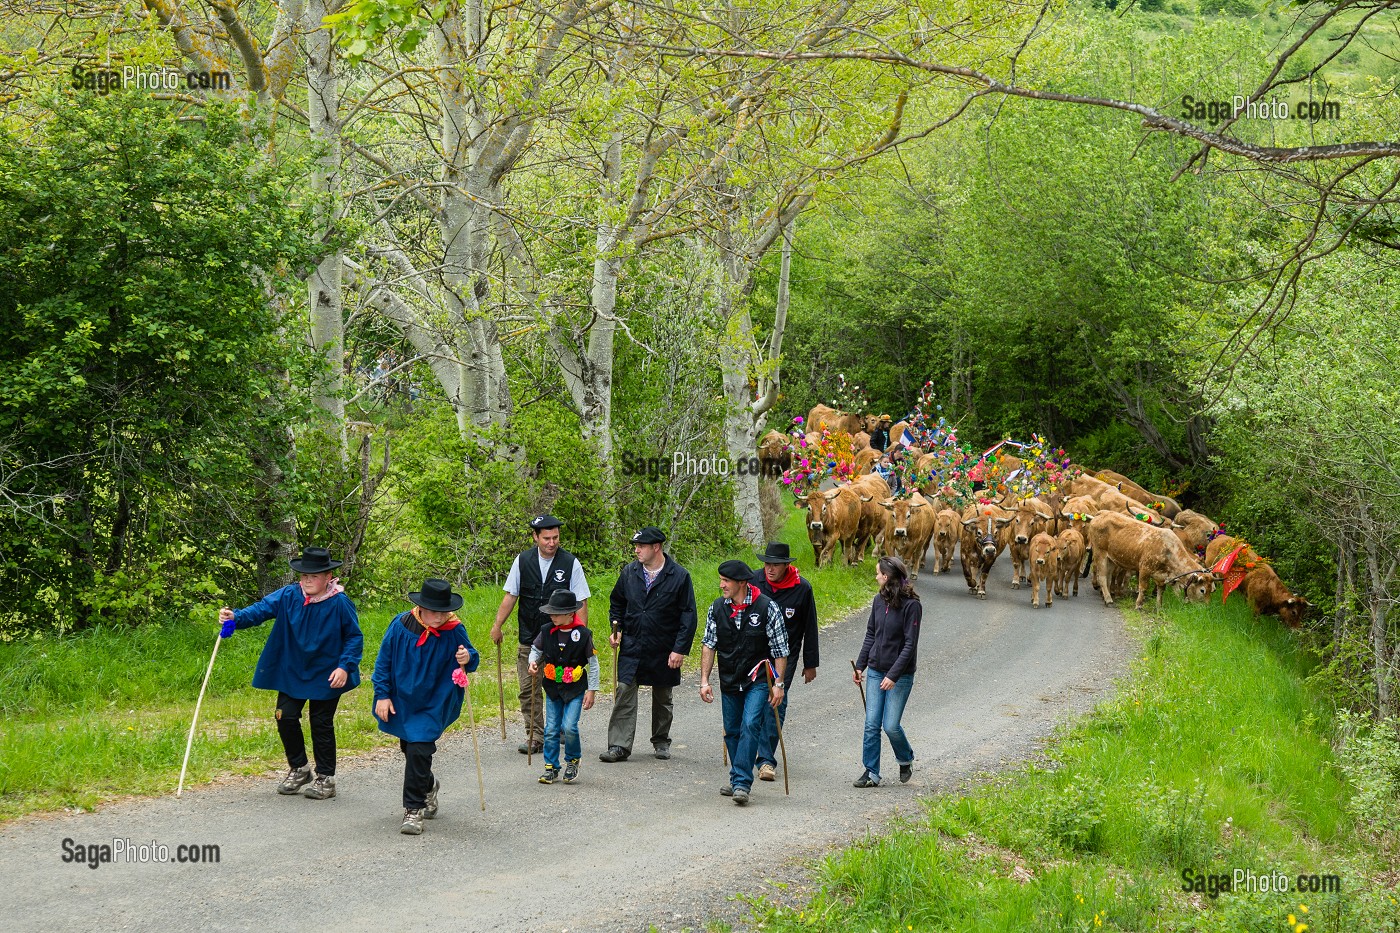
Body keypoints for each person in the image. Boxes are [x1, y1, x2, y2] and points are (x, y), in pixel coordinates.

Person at [218, 546, 363, 800]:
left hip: (328, 673)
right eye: (304, 575)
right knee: (284, 716)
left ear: (328, 577)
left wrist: (345, 666)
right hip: (293, 670)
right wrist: (235, 617)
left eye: (314, 576)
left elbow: (354, 637)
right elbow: (260, 610)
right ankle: (299, 768)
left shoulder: (340, 603)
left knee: (320, 723)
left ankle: (326, 778)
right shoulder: (288, 595)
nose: (307, 580)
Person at [371, 579, 481, 835]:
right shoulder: (401, 625)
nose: (440, 617)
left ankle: (413, 810)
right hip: (403, 699)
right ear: (421, 608)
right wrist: (382, 695)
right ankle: (428, 786)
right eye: (435, 612)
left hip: (434, 699)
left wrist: (468, 657)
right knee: (409, 748)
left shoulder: (454, 630)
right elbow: (383, 661)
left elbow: (471, 656)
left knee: (420, 749)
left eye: (444, 611)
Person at [491, 514, 591, 755]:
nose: (552, 542)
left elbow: (581, 601)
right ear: (535, 537)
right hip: (530, 637)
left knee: (561, 685)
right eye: (546, 538)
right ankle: (535, 735)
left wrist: (581, 635)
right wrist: (497, 625)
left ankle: (559, 729)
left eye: (555, 537)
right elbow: (511, 595)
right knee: (529, 689)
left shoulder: (570, 563)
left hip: (562, 639)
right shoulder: (522, 561)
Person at [600, 526, 698, 763]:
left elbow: (688, 615)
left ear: (656, 547)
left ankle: (661, 740)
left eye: (641, 546)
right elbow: (617, 603)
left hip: (664, 646)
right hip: (633, 645)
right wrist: (617, 629)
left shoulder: (679, 576)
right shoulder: (629, 572)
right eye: (635, 546)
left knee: (663, 695)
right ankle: (619, 746)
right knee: (624, 690)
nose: (636, 551)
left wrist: (679, 649)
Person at [699, 560, 788, 805]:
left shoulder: (767, 607)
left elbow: (780, 649)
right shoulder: (717, 608)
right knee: (733, 730)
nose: (721, 585)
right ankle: (738, 774)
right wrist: (704, 680)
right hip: (729, 678)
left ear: (741, 583)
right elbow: (709, 645)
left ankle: (740, 782)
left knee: (751, 723)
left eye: (726, 581)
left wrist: (778, 684)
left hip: (758, 679)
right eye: (721, 580)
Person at [751, 542, 819, 784]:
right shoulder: (753, 581)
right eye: (767, 564)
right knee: (753, 703)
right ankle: (754, 753)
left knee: (776, 704)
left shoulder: (802, 588)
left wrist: (810, 664)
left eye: (776, 565)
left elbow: (809, 628)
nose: (770, 569)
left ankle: (766, 760)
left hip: (784, 657)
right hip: (754, 654)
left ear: (786, 565)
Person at [852, 555, 921, 788]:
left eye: (877, 573)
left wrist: (893, 675)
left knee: (890, 725)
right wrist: (861, 665)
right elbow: (871, 633)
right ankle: (871, 772)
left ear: (886, 576)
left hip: (900, 675)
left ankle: (905, 758)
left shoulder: (912, 606)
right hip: (875, 670)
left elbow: (910, 645)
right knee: (872, 723)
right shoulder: (878, 601)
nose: (875, 576)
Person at [527, 590, 599, 785]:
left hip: (575, 689)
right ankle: (551, 767)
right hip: (552, 688)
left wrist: (592, 690)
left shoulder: (583, 634)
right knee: (551, 729)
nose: (552, 616)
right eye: (551, 612)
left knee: (568, 727)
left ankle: (573, 760)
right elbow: (536, 650)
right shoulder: (546, 631)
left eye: (557, 613)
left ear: (570, 613)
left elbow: (593, 663)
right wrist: (532, 662)